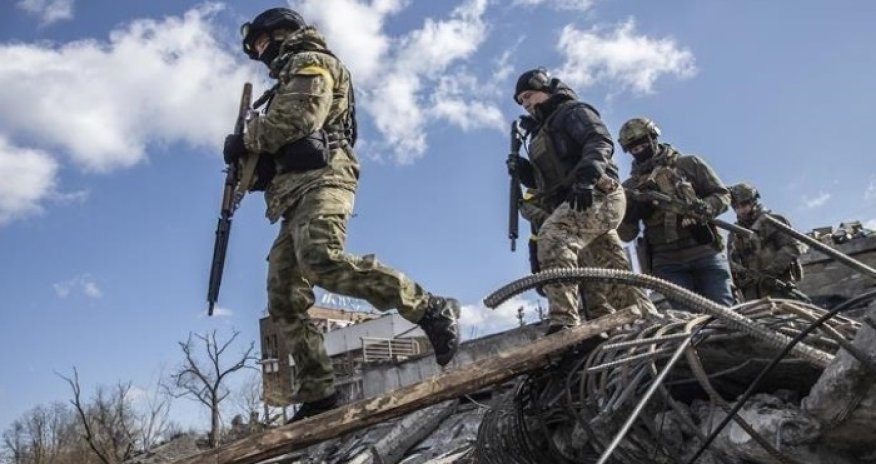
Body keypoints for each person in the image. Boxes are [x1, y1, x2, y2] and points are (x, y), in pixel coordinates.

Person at [223, 8, 460, 422]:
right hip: (292, 196)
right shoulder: (281, 83)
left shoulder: (311, 60)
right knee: (283, 296)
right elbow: (279, 151)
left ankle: (428, 307)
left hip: (325, 180)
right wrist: (250, 166)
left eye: (262, 42)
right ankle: (318, 390)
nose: (260, 52)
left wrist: (246, 138)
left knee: (320, 259)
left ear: (282, 33)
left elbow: (300, 118)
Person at [508, 68, 657, 334]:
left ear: (546, 89)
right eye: (521, 101)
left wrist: (587, 177)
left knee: (553, 235)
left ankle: (564, 321)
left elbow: (599, 140)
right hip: (577, 204)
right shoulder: (540, 134)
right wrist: (524, 171)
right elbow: (548, 182)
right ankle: (647, 324)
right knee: (610, 274)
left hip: (598, 194)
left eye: (528, 96)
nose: (526, 104)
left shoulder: (571, 111)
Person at [616, 117, 735, 307]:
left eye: (643, 145)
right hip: (667, 262)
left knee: (724, 312)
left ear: (654, 138)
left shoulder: (688, 164)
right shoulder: (630, 187)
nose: (639, 151)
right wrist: (633, 213)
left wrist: (703, 209)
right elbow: (625, 234)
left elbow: (723, 195)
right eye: (634, 149)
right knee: (686, 319)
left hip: (704, 252)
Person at [727, 183, 807, 301]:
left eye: (744, 205)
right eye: (736, 207)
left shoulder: (774, 221)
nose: (740, 211)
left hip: (778, 284)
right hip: (751, 292)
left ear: (753, 202)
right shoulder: (735, 232)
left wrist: (770, 272)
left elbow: (792, 247)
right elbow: (731, 261)